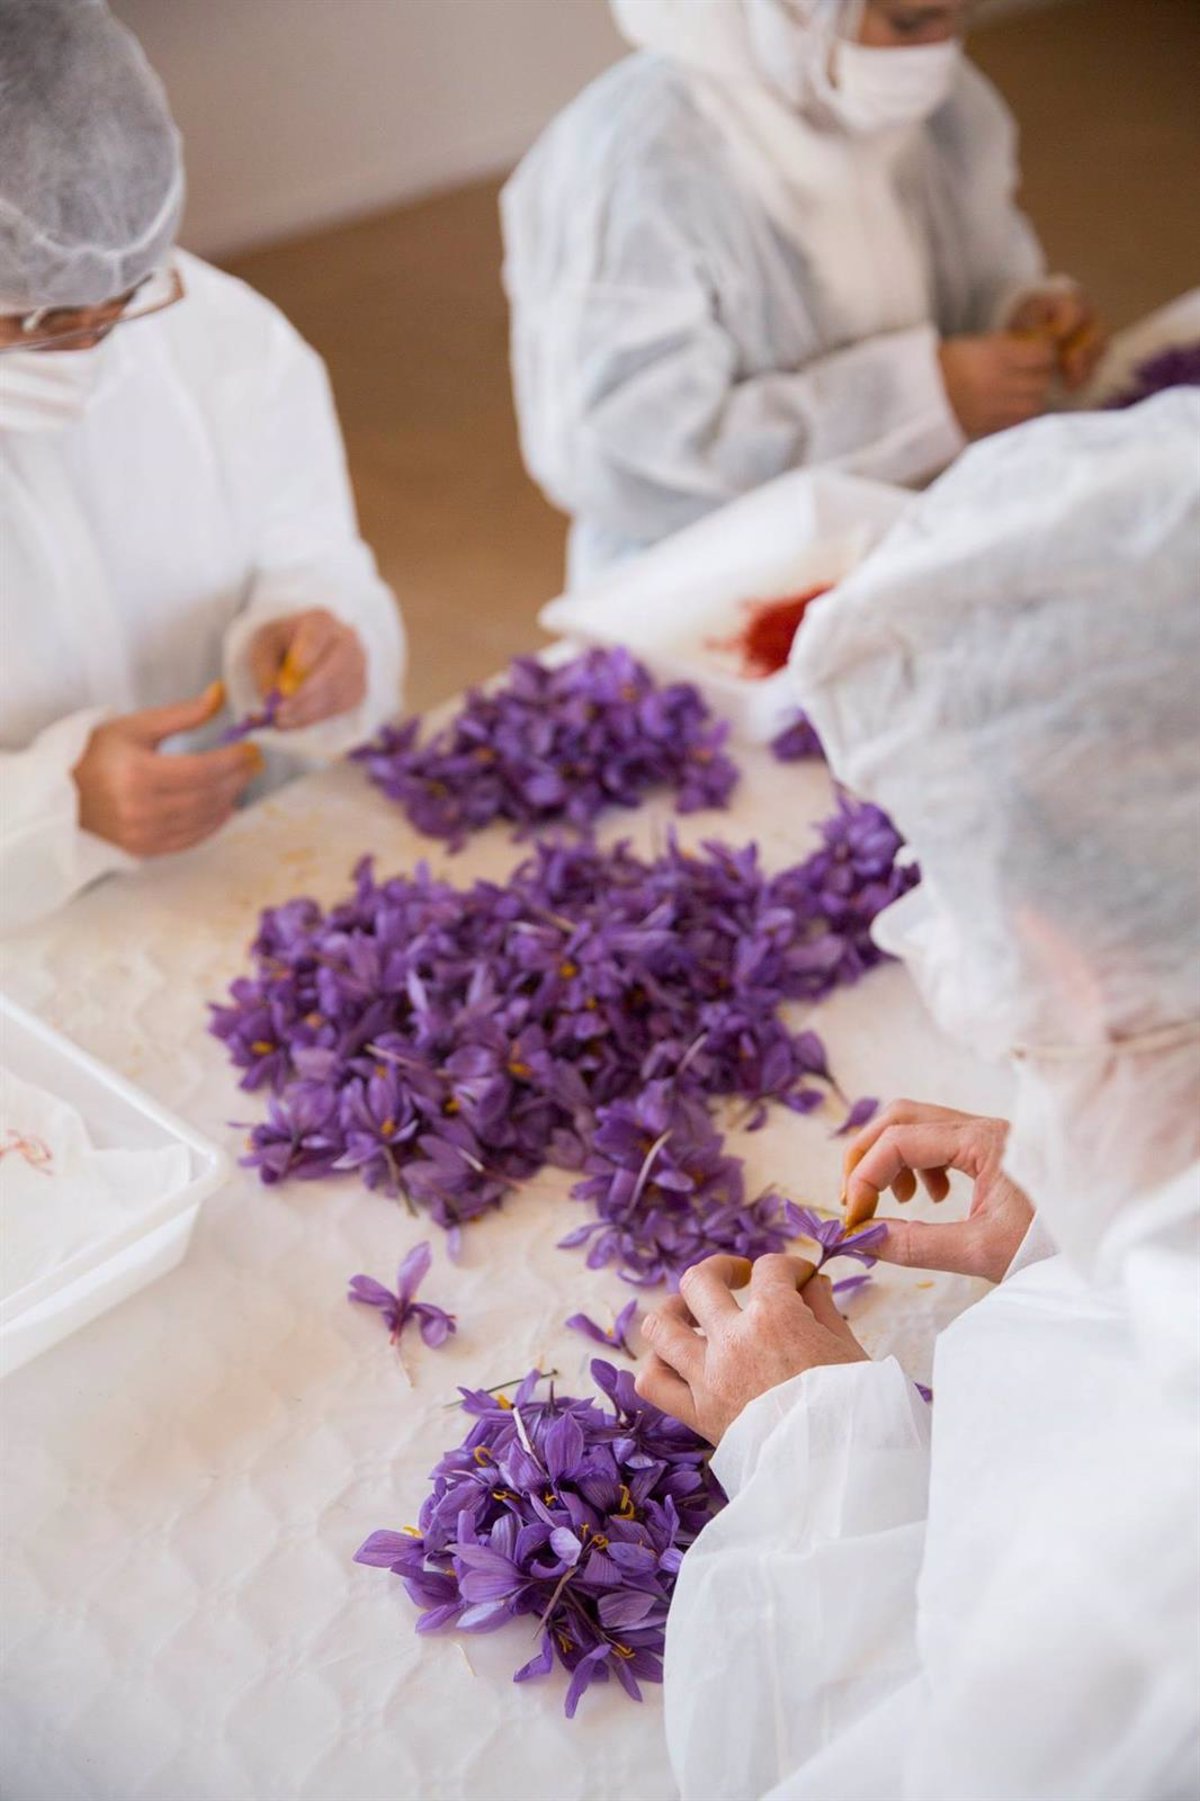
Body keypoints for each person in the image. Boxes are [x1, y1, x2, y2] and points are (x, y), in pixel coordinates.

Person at [637, 393, 1200, 1799]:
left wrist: (809, 1438)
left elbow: (889, 1756)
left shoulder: (1138, 1586)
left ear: (1066, 952)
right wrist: (1087, 1243)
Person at [0, 0, 405, 935]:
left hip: (236, 878)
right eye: (42, 321)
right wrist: (50, 811)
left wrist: (314, 638)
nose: (89, 344)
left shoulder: (218, 337)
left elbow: (313, 557)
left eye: (116, 303)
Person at [502, 0, 1108, 585]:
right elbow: (627, 459)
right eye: (910, 20)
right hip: (714, 580)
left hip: (923, 536)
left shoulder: (938, 105)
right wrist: (918, 401)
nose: (937, 51)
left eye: (961, 15)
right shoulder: (636, 158)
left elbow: (975, 259)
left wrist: (1015, 313)